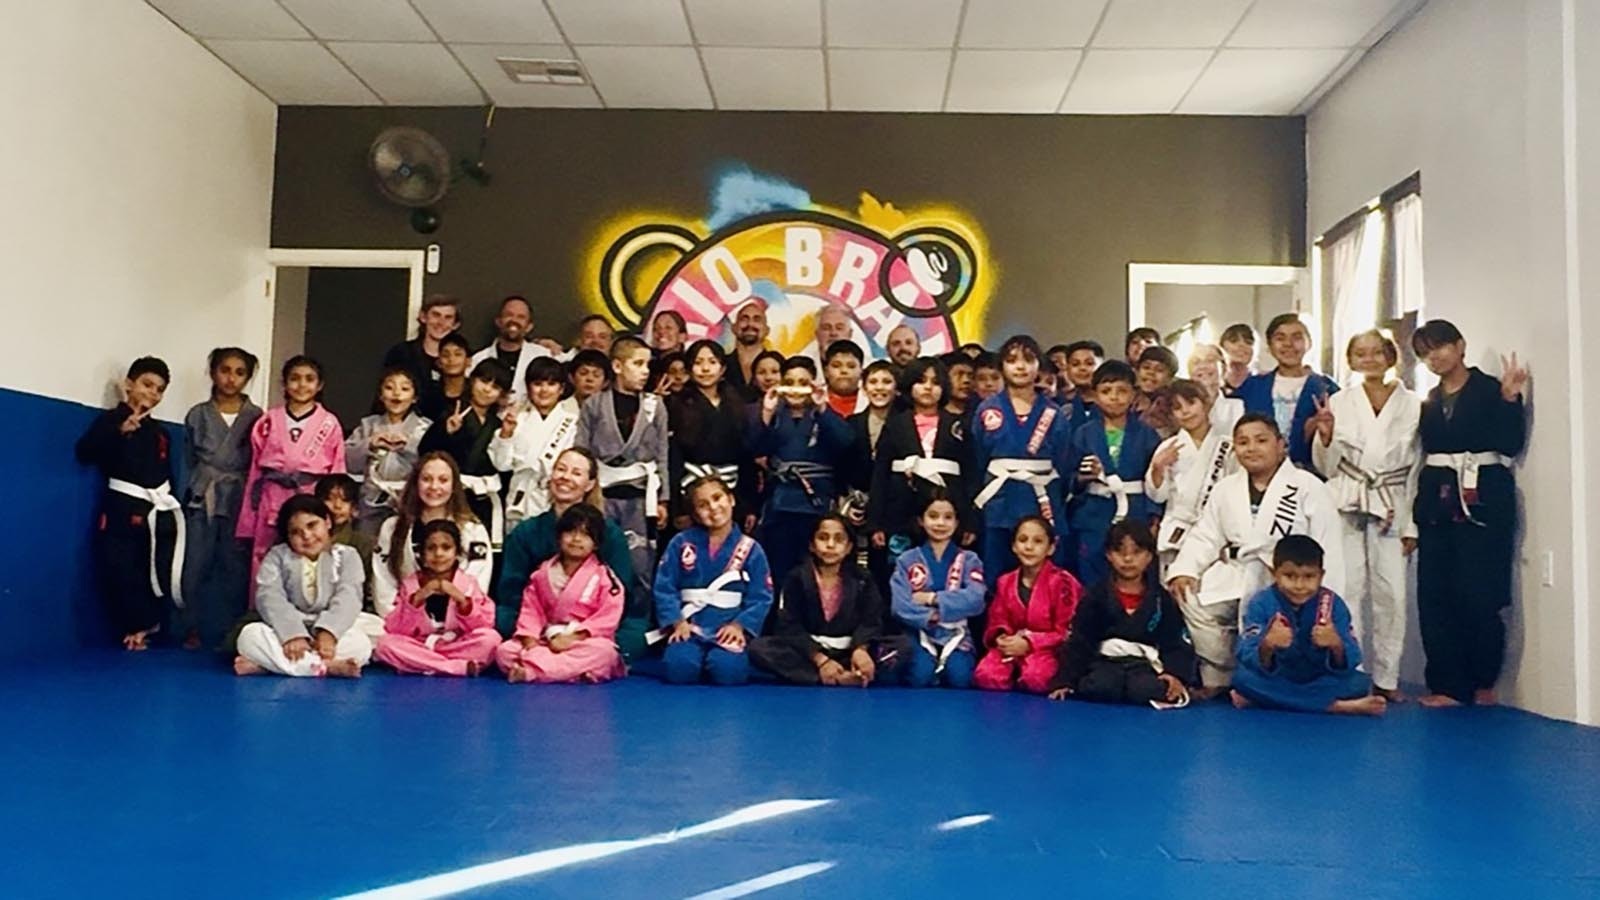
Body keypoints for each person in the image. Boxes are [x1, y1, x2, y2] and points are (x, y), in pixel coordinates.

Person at [1166, 414, 1345, 689]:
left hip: (1288, 581)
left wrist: (1325, 597)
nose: (1251, 448)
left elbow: (1328, 546)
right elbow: (1206, 534)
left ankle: (1266, 676)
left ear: (1280, 445)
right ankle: (1224, 672)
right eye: (1243, 442)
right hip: (1237, 572)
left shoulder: (1307, 486)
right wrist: (1185, 569)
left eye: (1261, 440)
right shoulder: (1226, 488)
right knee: (1188, 595)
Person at [1410, 320, 1528, 708]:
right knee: (1435, 593)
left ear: (1460, 346)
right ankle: (1446, 684)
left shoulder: (1491, 390)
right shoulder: (1428, 401)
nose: (1434, 357)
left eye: (1440, 346)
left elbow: (1509, 445)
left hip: (1484, 499)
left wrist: (1510, 399)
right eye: (1426, 353)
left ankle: (1482, 680)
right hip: (1437, 501)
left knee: (1479, 593)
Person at [1310, 329, 1422, 702]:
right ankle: (1352, 673)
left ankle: (1387, 678)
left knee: (1392, 592)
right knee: (1348, 587)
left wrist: (1411, 523)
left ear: (1390, 356)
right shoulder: (1340, 402)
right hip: (1346, 497)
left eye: (1377, 352)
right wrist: (1326, 435)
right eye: (1361, 353)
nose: (1369, 359)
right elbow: (1326, 466)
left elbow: (1417, 468)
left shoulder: (1413, 404)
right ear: (1351, 360)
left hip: (1392, 501)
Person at [497, 447, 645, 659]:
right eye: (561, 469)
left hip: (589, 625)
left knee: (629, 639)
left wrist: (577, 632)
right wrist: (538, 626)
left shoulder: (609, 533)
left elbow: (620, 591)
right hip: (536, 618)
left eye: (576, 473)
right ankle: (556, 659)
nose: (565, 477)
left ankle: (538, 662)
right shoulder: (526, 532)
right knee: (501, 626)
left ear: (590, 484)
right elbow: (511, 590)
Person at [76, 356, 181, 651]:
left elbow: (166, 471)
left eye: (159, 390)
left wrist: (171, 504)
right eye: (147, 384)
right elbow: (85, 452)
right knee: (119, 566)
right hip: (121, 507)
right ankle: (135, 624)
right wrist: (118, 431)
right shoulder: (111, 420)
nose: (153, 393)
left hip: (155, 508)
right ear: (129, 384)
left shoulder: (161, 433)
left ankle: (150, 623)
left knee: (153, 569)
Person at [1231, 535, 1385, 716]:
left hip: (1318, 678)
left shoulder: (1333, 603)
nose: (1299, 585)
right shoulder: (1261, 603)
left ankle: (1267, 700)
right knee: (1242, 679)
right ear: (1274, 573)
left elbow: (1353, 656)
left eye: (1309, 577)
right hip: (1279, 677)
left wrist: (1336, 644)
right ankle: (1337, 706)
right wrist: (1267, 645)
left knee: (1359, 683)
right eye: (1289, 576)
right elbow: (1245, 652)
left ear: (1321, 575)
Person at [1047, 521, 1196, 706]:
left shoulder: (1161, 599)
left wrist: (1175, 675)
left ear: (1150, 556)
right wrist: (1065, 681)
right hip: (1104, 661)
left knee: (1146, 689)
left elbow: (1174, 641)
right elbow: (1081, 641)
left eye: (1137, 552)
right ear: (1109, 555)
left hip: (1143, 664)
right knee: (1100, 686)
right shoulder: (1096, 596)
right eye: (1120, 552)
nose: (1128, 559)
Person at [749, 514, 907, 686]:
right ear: (812, 545)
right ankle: (834, 676)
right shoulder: (796, 578)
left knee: (902, 646)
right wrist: (820, 659)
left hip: (851, 649)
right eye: (823, 538)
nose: (830, 545)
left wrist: (861, 649)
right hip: (810, 654)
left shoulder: (862, 578)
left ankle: (853, 671)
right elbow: (788, 625)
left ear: (849, 547)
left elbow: (871, 619)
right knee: (759, 648)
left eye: (839, 539)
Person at [577, 335, 670, 612]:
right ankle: (599, 619)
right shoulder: (594, 404)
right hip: (602, 495)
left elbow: (662, 453)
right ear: (617, 366)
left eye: (647, 365)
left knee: (640, 564)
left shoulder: (654, 405)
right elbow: (581, 451)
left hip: (640, 496)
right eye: (637, 364)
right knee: (601, 560)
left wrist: (663, 499)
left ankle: (638, 621)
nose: (645, 371)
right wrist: (581, 494)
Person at [653, 476, 774, 685]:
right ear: (695, 514)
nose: (713, 507)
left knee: (728, 672)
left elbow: (761, 596)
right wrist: (677, 621)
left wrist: (739, 626)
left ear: (731, 500)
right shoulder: (681, 543)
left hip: (727, 628)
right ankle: (693, 659)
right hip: (690, 627)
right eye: (703, 505)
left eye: (718, 498)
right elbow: (664, 586)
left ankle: (717, 660)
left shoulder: (751, 548)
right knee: (679, 669)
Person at [180, 348, 263, 650]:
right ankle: (189, 628)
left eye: (240, 373)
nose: (231, 378)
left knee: (235, 567)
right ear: (213, 372)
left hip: (241, 498)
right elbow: (187, 460)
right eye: (225, 370)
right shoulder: (197, 415)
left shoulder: (257, 417)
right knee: (193, 564)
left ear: (248, 378)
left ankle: (234, 631)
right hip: (202, 496)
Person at [234, 495, 370, 678]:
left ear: (328, 522)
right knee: (250, 636)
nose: (306, 536)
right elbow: (269, 596)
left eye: (312, 525)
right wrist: (293, 634)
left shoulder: (347, 555)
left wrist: (328, 633)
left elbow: (349, 596)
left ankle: (271, 666)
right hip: (287, 630)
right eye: (296, 532)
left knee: (361, 644)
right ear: (288, 537)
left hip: (330, 631)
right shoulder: (277, 556)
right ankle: (325, 667)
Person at [749, 355, 855, 590]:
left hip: (816, 502)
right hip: (780, 504)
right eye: (789, 382)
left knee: (813, 571)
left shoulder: (822, 413)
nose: (795, 389)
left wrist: (823, 407)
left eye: (803, 383)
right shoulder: (774, 414)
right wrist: (766, 413)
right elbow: (753, 448)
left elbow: (846, 442)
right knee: (778, 569)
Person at [236, 355, 346, 579]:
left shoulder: (329, 423)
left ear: (319, 385)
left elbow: (337, 470)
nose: (302, 385)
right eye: (295, 378)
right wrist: (248, 520)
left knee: (309, 555)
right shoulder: (268, 420)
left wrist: (334, 509)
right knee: (265, 558)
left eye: (309, 379)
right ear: (284, 384)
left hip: (310, 495)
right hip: (271, 497)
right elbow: (255, 472)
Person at [367, 453, 493, 642]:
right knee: (383, 641)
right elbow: (384, 580)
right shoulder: (392, 528)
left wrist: (454, 621)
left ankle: (434, 654)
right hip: (409, 625)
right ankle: (438, 655)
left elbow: (477, 586)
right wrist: (398, 619)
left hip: (459, 628)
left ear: (454, 486)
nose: (434, 487)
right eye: (426, 479)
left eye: (443, 480)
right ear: (415, 483)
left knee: (488, 640)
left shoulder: (472, 529)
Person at [497, 503, 627, 683]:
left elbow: (607, 619)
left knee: (604, 653)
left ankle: (531, 672)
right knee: (505, 652)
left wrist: (573, 638)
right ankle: (572, 673)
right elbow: (531, 611)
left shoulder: (606, 579)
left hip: (581, 640)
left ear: (596, 544)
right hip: (546, 640)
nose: (576, 539)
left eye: (585, 534)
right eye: (570, 532)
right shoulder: (541, 575)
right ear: (559, 537)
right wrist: (530, 640)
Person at [970, 335, 1069, 574]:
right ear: (1002, 366)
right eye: (1012, 360)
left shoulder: (1053, 413)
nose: (1021, 366)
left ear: (1039, 365)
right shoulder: (987, 410)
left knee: (1045, 575)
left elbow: (1064, 464)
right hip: (1000, 502)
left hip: (1040, 500)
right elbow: (978, 458)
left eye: (1028, 360)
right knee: (996, 573)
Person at [868, 357, 975, 569]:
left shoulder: (958, 425)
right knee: (900, 568)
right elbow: (880, 475)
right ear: (909, 385)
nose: (928, 387)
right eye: (921, 381)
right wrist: (875, 523)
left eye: (935, 382)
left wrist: (970, 521)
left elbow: (970, 475)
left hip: (947, 511)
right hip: (901, 510)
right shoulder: (896, 424)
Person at [1145, 380, 1238, 616]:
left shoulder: (1228, 445)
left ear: (1205, 404)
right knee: (1177, 600)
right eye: (1177, 407)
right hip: (1179, 529)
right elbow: (1157, 495)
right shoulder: (1169, 446)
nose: (1185, 411)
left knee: (1212, 600)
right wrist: (1158, 468)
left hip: (1217, 532)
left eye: (1191, 403)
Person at [1067, 360, 1162, 584]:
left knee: (1136, 573)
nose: (1114, 397)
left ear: (1133, 394)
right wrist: (1081, 479)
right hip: (1093, 512)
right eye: (1106, 391)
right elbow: (1069, 476)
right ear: (1095, 395)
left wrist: (1154, 515)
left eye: (1122, 391)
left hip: (1135, 510)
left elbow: (1157, 480)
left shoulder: (1147, 434)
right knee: (1092, 573)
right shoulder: (1083, 433)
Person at [373, 519, 500, 677]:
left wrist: (462, 600)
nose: (439, 554)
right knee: (385, 645)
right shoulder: (411, 584)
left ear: (457, 553)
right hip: (420, 644)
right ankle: (453, 667)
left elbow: (484, 624)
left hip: (456, 645)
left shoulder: (468, 584)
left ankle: (422, 663)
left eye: (446, 547)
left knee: (491, 640)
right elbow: (396, 629)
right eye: (431, 548)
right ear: (422, 555)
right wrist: (417, 599)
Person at [974, 516, 1082, 694]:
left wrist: (1029, 643)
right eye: (1023, 540)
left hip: (1048, 650)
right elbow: (998, 619)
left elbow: (1067, 632)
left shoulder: (1064, 583)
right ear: (1014, 546)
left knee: (1037, 678)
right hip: (1012, 646)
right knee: (986, 676)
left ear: (1051, 548)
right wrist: (1002, 637)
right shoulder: (1005, 581)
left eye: (1038, 541)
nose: (1029, 547)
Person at [892, 494, 987, 688]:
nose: (940, 523)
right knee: (919, 676)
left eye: (948, 517)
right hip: (919, 632)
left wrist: (933, 598)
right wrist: (931, 617)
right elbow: (900, 605)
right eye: (933, 516)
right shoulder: (906, 560)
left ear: (957, 522)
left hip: (956, 633)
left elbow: (976, 600)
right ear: (921, 520)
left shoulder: (969, 559)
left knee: (960, 678)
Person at [421, 358, 513, 551]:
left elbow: (502, 466)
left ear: (501, 394)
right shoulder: (451, 413)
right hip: (452, 495)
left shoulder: (497, 424)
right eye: (484, 381)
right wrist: (446, 431)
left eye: (495, 387)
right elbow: (426, 450)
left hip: (484, 498)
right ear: (472, 380)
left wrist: (506, 435)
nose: (487, 389)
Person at [1234, 313, 1339, 469]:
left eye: (1297, 337)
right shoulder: (1252, 387)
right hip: (1259, 473)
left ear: (1309, 343)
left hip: (1310, 475)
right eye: (1280, 338)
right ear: (1269, 346)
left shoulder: (1327, 388)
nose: (1288, 344)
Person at [668, 340, 754, 529]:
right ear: (689, 369)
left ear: (723, 369)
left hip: (731, 488)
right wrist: (677, 508)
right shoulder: (676, 404)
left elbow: (746, 455)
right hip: (690, 488)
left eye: (712, 362)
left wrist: (749, 505)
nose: (705, 369)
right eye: (698, 363)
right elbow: (673, 459)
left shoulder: (736, 403)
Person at [489, 356, 581, 531]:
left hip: (557, 496)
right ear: (528, 387)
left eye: (551, 384)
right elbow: (502, 465)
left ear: (561, 389)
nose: (544, 390)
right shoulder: (515, 419)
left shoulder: (572, 422)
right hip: (521, 497)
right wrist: (506, 433)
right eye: (538, 384)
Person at [344, 367, 430, 534]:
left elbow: (432, 462)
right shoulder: (368, 425)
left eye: (404, 389)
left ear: (415, 397)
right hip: (371, 501)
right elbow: (348, 460)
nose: (396, 394)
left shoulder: (424, 427)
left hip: (410, 500)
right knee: (368, 544)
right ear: (381, 395)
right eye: (389, 387)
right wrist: (369, 444)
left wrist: (409, 445)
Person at [469, 295, 550, 405]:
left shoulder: (543, 355)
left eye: (521, 317)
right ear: (498, 321)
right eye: (509, 315)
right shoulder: (479, 359)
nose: (514, 320)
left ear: (529, 326)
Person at [316, 473, 376, 612]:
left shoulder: (362, 543)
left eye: (344, 500)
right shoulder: (307, 537)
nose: (337, 506)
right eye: (329, 499)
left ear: (354, 509)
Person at [382, 293, 460, 393]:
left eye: (448, 317)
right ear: (423, 317)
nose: (441, 323)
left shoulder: (463, 359)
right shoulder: (401, 353)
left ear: (456, 324)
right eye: (436, 315)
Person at [1186, 342, 1245, 432]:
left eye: (1210, 360)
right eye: (1196, 362)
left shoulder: (1237, 406)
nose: (1202, 366)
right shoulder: (1180, 409)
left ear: (1224, 368)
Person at [417, 333, 473, 423]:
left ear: (468, 361)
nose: (451, 359)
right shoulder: (427, 394)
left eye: (458, 354)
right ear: (438, 362)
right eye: (445, 355)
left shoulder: (475, 393)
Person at [725, 300, 771, 400]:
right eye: (744, 319)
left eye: (757, 319)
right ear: (733, 328)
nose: (750, 324)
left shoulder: (778, 367)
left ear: (767, 330)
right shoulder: (720, 366)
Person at [1134, 345, 1179, 439]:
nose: (1151, 373)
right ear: (1137, 371)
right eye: (1146, 367)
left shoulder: (1171, 407)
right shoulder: (1128, 400)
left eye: (1159, 370)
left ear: (1170, 378)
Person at [1059, 340, 1102, 430]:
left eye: (1089, 363)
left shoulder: (1114, 403)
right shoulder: (1061, 405)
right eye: (1075, 364)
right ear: (1067, 369)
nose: (1082, 368)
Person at [823, 339, 867, 417]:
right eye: (836, 366)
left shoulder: (870, 400)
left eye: (851, 366)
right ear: (826, 371)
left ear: (861, 372)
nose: (844, 371)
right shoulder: (813, 401)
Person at [1220, 323, 1258, 394]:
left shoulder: (1262, 382)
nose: (1241, 345)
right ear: (1222, 346)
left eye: (1248, 342)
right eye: (1234, 341)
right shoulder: (1214, 382)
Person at [940, 350, 976, 417]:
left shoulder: (979, 414)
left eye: (970, 375)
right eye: (959, 374)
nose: (966, 380)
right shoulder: (934, 416)